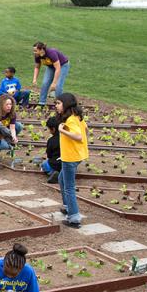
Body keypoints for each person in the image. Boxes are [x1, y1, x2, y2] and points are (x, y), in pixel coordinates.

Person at [56, 92, 88, 228]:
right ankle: (67, 206)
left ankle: (74, 218)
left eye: (58, 103)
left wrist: (62, 131)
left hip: (70, 157)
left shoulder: (70, 120)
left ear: (66, 104)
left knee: (69, 187)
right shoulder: (77, 116)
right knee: (61, 179)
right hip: (77, 154)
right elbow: (85, 131)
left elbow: (79, 136)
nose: (56, 106)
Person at [32, 42, 70, 106]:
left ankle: (59, 104)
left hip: (62, 66)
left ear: (41, 50)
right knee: (45, 83)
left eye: (36, 50)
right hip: (51, 67)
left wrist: (54, 83)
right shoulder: (37, 56)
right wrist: (34, 79)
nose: (34, 52)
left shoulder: (51, 53)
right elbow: (37, 67)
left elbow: (58, 68)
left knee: (58, 86)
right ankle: (41, 103)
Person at [42, 115, 61, 184]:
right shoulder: (67, 137)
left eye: (49, 129)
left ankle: (53, 174)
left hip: (55, 164)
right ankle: (62, 174)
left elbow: (49, 155)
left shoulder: (51, 140)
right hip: (67, 164)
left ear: (53, 129)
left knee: (44, 164)